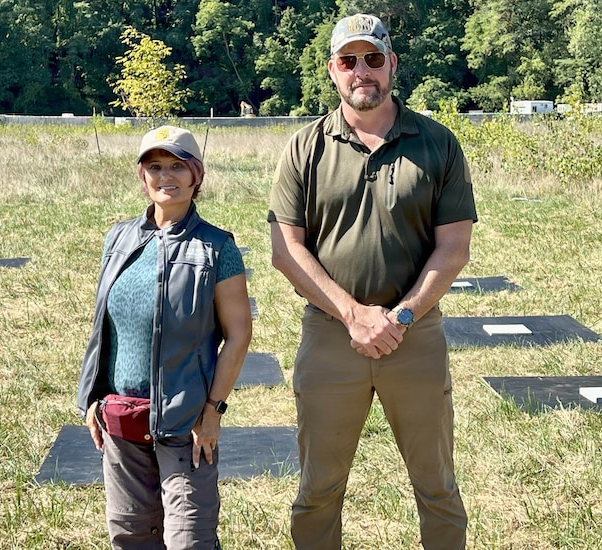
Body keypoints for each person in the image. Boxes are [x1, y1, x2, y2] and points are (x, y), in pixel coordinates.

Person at [267, 13, 476, 550]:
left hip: (415, 336)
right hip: (330, 336)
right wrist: (353, 315)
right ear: (333, 70)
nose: (363, 71)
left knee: (437, 488)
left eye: (373, 59)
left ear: (392, 65)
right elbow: (286, 251)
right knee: (317, 490)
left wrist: (401, 315)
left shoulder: (437, 144)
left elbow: (453, 249)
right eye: (349, 60)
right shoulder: (303, 147)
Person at [77, 125, 252, 549]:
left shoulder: (216, 247)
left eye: (177, 166)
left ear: (197, 175)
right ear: (142, 177)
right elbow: (105, 326)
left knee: (190, 540)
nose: (165, 176)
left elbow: (239, 333)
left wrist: (212, 411)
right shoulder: (118, 239)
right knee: (131, 537)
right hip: (122, 420)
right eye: (155, 167)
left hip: (185, 425)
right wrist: (92, 399)